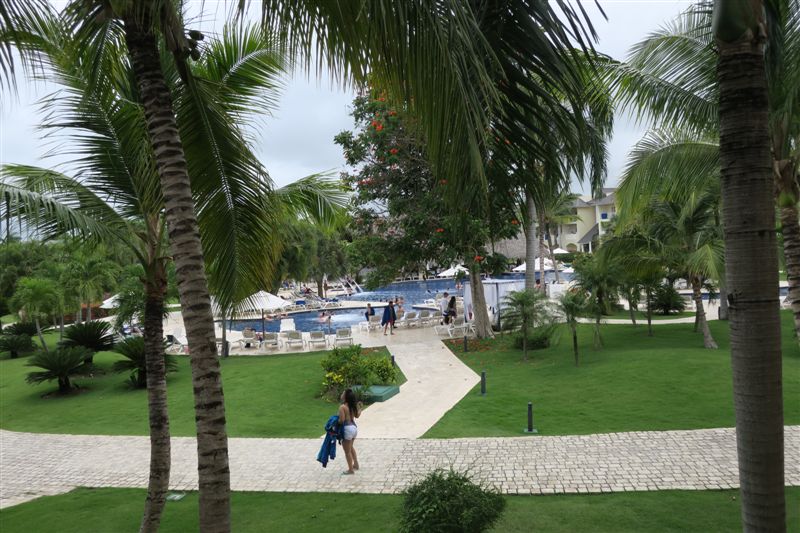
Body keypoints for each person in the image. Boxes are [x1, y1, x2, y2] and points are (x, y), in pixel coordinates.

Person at [338, 388, 360, 475]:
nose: (342, 394)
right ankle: (356, 464)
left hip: (347, 429)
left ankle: (350, 470)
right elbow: (357, 415)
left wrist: (335, 421)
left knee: (347, 452)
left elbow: (342, 420)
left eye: (343, 393)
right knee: (351, 447)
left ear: (345, 397)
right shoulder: (352, 407)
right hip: (354, 428)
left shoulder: (342, 407)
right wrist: (360, 408)